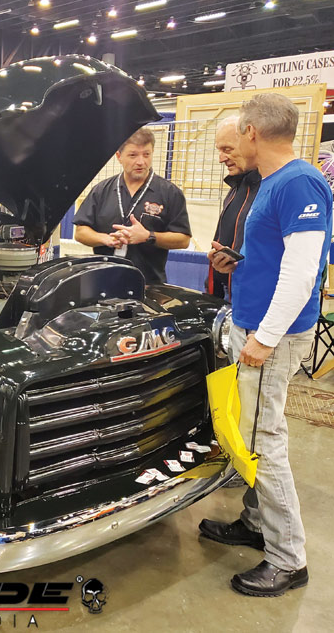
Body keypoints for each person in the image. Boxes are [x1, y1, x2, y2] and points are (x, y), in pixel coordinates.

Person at [199, 93, 332, 597]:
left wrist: (266, 337)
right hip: (254, 325)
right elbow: (278, 259)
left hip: (270, 337)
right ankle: (257, 524)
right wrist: (238, 262)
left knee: (264, 443)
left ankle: (288, 559)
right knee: (251, 432)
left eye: (238, 135)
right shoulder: (275, 182)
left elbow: (302, 274)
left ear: (252, 132)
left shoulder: (298, 182)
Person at [73, 128, 191, 284]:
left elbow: (183, 240)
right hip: (102, 283)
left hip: (148, 285)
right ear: (119, 156)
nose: (141, 162)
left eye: (146, 154)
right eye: (133, 155)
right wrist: (105, 239)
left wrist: (148, 236)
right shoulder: (101, 191)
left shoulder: (170, 193)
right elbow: (80, 232)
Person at [208, 116, 262, 300]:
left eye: (227, 149)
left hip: (256, 300)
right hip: (231, 295)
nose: (221, 159)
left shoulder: (270, 188)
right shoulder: (238, 186)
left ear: (250, 141)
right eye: (220, 150)